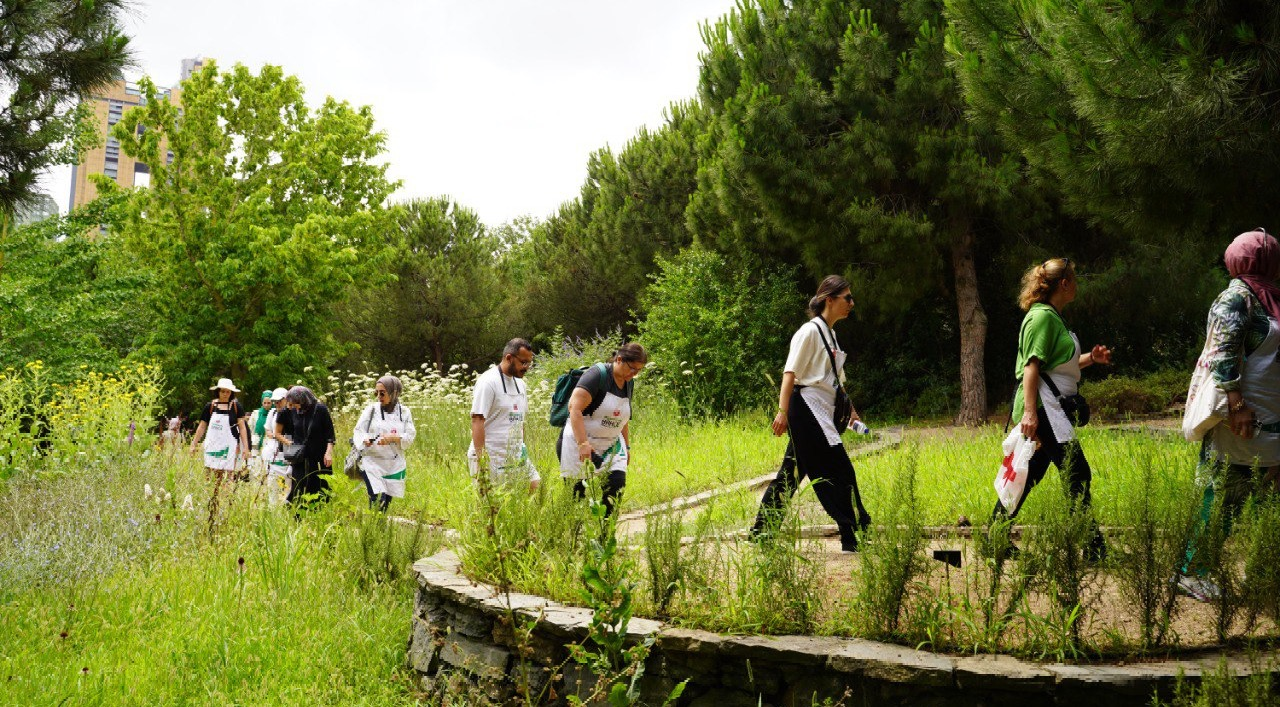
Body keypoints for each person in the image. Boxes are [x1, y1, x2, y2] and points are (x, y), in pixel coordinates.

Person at [1178, 230, 1280, 601]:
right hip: (1240, 417)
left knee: (1265, 497)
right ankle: (1192, 571)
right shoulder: (1236, 297)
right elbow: (1223, 353)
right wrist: (1237, 407)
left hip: (1271, 417)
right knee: (1220, 493)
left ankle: (1264, 574)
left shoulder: (1271, 299)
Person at [993, 258, 1111, 560]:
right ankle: (1093, 546)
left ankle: (996, 535)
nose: (1077, 285)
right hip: (1045, 407)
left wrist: (1090, 359)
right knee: (1076, 470)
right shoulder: (1042, 317)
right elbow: (1032, 366)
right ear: (1065, 284)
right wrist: (1030, 413)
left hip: (1051, 406)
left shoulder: (1053, 317)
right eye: (1075, 279)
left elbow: (1058, 365)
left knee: (1029, 472)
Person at [750, 275, 872, 553]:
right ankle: (852, 536)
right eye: (847, 298)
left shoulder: (832, 334)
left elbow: (837, 382)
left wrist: (851, 412)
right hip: (805, 409)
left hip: (822, 412)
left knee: (791, 473)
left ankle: (762, 532)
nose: (852, 303)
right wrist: (782, 412)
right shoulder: (809, 332)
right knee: (841, 471)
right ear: (829, 299)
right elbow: (790, 374)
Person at [558, 343, 646, 516]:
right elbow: (574, 409)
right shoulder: (596, 375)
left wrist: (627, 447)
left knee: (615, 487)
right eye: (633, 369)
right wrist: (583, 443)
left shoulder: (628, 383)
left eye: (638, 371)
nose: (634, 374)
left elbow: (623, 418)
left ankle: (605, 537)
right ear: (619, 359)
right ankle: (571, 539)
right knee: (575, 498)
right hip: (579, 443)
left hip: (610, 445)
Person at [469, 339, 539, 492]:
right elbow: (477, 420)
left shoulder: (521, 384)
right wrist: (482, 460)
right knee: (491, 504)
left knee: (535, 485)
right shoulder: (488, 382)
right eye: (523, 362)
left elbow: (520, 420)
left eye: (529, 363)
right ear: (509, 358)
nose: (526, 367)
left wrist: (522, 445)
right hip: (492, 456)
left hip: (515, 453)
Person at [353, 375, 417, 511]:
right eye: (376, 393)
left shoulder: (404, 412)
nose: (378, 396)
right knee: (377, 499)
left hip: (393, 464)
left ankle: (377, 528)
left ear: (394, 393)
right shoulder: (371, 410)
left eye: (382, 393)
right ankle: (374, 528)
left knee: (386, 502)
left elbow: (410, 437)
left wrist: (393, 438)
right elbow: (358, 431)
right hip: (371, 462)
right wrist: (364, 439)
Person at [279, 386, 335, 506]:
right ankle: (298, 518)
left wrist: (328, 452)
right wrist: (289, 446)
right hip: (300, 458)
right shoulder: (294, 411)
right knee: (299, 488)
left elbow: (330, 435)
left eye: (295, 403)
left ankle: (319, 517)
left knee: (320, 489)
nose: (294, 406)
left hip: (319, 457)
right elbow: (287, 431)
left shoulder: (320, 409)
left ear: (303, 399)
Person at [189, 378, 251, 479]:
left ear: (231, 393)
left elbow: (242, 428)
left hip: (229, 446)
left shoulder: (236, 407)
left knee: (228, 475)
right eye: (223, 391)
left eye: (228, 392)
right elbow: (202, 426)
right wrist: (193, 444)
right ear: (218, 391)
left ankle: (226, 494)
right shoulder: (210, 406)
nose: (225, 394)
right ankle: (210, 493)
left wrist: (246, 447)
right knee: (209, 473)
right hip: (212, 445)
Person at [260, 388, 291, 505]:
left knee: (288, 486)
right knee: (273, 486)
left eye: (279, 401)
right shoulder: (272, 413)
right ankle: (274, 511)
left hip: (288, 454)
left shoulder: (293, 413)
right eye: (275, 401)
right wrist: (275, 436)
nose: (277, 404)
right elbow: (267, 429)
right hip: (273, 453)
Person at [247, 390, 273, 469]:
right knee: (254, 467)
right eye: (264, 403)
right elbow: (250, 428)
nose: (266, 405)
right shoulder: (256, 413)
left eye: (269, 403)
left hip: (268, 442)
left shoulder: (275, 414)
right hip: (256, 442)